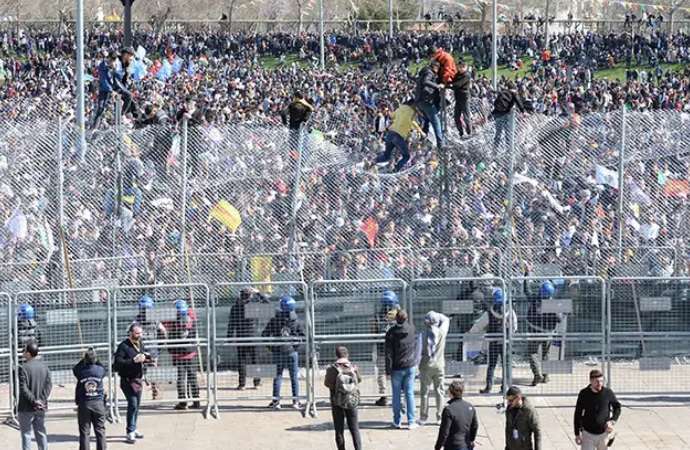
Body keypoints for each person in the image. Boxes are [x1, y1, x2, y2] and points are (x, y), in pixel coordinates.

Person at [262, 295, 305, 410]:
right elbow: (302, 336)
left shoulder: (275, 319)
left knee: (278, 377)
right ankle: (295, 402)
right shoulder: (296, 320)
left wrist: (271, 347)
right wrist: (295, 347)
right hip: (291, 352)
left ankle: (276, 402)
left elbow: (264, 335)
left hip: (278, 351)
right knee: (294, 377)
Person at [114, 324, 151, 444]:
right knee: (133, 403)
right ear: (130, 333)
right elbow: (117, 363)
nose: (139, 336)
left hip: (138, 379)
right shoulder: (123, 346)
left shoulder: (140, 343)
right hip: (127, 380)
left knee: (137, 405)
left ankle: (133, 428)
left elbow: (143, 356)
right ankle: (130, 431)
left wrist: (147, 359)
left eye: (140, 333)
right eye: (137, 333)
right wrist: (133, 360)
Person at [324, 346, 362, 450]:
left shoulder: (332, 369)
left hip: (337, 401)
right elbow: (359, 380)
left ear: (336, 355)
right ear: (347, 355)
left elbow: (327, 384)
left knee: (339, 430)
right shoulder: (352, 367)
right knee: (354, 429)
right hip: (351, 401)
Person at [385, 309, 418, 429]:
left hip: (396, 367)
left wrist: (388, 371)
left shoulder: (391, 333)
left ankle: (397, 420)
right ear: (406, 318)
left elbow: (388, 354)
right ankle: (411, 421)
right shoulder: (411, 329)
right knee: (409, 393)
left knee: (396, 395)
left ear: (396, 319)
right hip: (410, 365)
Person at [480, 288, 517, 394]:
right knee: (506, 364)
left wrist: (471, 332)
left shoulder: (489, 312)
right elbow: (514, 325)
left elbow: (480, 325)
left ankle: (488, 387)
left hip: (493, 341)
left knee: (491, 365)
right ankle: (504, 387)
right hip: (505, 341)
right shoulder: (510, 310)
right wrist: (510, 334)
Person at [227, 287, 265, 390]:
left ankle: (242, 384)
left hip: (241, 336)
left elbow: (231, 324)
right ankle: (256, 382)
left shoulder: (235, 307)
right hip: (253, 336)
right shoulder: (253, 306)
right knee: (255, 360)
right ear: (250, 296)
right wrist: (258, 293)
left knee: (242, 361)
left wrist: (229, 337)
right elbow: (267, 303)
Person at [526, 280, 562, 386]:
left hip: (534, 332)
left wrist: (526, 275)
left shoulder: (534, 299)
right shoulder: (552, 303)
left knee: (533, 353)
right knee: (546, 354)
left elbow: (526, 290)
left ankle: (537, 375)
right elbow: (559, 319)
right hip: (547, 334)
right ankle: (546, 376)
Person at [574, 369, 621, 450]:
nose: (600, 384)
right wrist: (577, 434)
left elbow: (617, 407)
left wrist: (612, 421)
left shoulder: (608, 392)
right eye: (597, 381)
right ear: (591, 381)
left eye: (601, 381)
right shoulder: (584, 393)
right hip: (587, 434)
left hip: (604, 434)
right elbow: (577, 414)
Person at [131, 295, 167, 401]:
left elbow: (130, 332)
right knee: (151, 370)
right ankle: (154, 389)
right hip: (151, 349)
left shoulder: (138, 319)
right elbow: (163, 331)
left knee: (141, 371)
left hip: (143, 349)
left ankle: (146, 389)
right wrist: (161, 344)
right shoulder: (154, 318)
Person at [17, 342, 51, 450]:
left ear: (29, 353)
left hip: (26, 407)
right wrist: (42, 400)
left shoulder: (23, 368)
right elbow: (48, 385)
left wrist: (34, 400)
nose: (23, 352)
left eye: (25, 351)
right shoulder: (44, 367)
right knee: (41, 432)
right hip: (41, 406)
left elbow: (23, 388)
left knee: (26, 434)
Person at [374, 99, 424, 172]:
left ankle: (373, 161)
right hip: (398, 136)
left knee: (386, 156)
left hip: (390, 134)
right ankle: (395, 170)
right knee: (406, 156)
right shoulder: (412, 112)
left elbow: (392, 116)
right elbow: (413, 122)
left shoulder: (400, 108)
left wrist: (387, 111)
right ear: (413, 105)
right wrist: (421, 132)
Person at [168, 300, 201, 410]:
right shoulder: (192, 319)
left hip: (178, 353)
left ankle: (183, 402)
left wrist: (170, 349)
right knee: (192, 377)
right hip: (190, 353)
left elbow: (168, 332)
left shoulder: (173, 320)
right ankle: (196, 401)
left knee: (181, 379)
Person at [419, 311, 450, 425]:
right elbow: (446, 319)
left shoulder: (422, 335)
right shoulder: (442, 331)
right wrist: (437, 316)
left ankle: (423, 417)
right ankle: (439, 417)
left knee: (425, 392)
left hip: (426, 365)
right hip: (439, 364)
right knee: (440, 391)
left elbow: (418, 352)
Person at [73, 348, 107, 450]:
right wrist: (95, 359)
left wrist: (83, 360)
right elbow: (102, 367)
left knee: (84, 432)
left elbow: (75, 369)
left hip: (85, 403)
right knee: (100, 430)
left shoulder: (81, 371)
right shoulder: (100, 370)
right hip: (98, 403)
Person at [371, 290, 400, 407]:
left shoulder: (378, 315)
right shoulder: (399, 314)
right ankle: (397, 395)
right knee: (396, 371)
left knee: (382, 372)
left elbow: (373, 332)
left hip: (382, 348)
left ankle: (384, 396)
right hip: (397, 348)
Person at [434, 380, 478, 450]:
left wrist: (438, 447)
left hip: (453, 445)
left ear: (450, 393)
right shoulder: (470, 407)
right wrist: (471, 440)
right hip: (466, 445)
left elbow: (444, 432)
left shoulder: (448, 409)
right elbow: (475, 426)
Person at [415, 59, 445, 150]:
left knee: (427, 121)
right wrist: (437, 86)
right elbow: (426, 81)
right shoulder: (429, 72)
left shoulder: (422, 72)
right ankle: (441, 143)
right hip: (426, 101)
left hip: (419, 102)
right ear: (435, 67)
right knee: (436, 122)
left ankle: (423, 138)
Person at [90, 51, 117, 130]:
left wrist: (114, 69)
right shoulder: (102, 65)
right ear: (109, 58)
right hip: (104, 90)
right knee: (100, 107)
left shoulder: (113, 67)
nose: (112, 62)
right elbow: (104, 80)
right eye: (111, 60)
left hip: (110, 90)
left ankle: (100, 125)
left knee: (104, 109)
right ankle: (94, 126)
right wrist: (111, 90)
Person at [492, 81, 525, 148]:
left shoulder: (502, 92)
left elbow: (496, 101)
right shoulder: (513, 93)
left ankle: (495, 149)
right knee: (508, 132)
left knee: (498, 132)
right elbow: (518, 101)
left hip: (497, 113)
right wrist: (523, 111)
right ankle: (508, 148)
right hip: (505, 114)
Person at [450, 60, 472, 137]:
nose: (460, 69)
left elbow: (458, 84)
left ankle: (469, 132)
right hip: (458, 98)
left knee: (466, 117)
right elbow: (453, 81)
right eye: (458, 67)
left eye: (462, 67)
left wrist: (450, 85)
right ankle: (461, 132)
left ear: (465, 67)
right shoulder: (457, 74)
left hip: (464, 97)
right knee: (456, 117)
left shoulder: (467, 75)